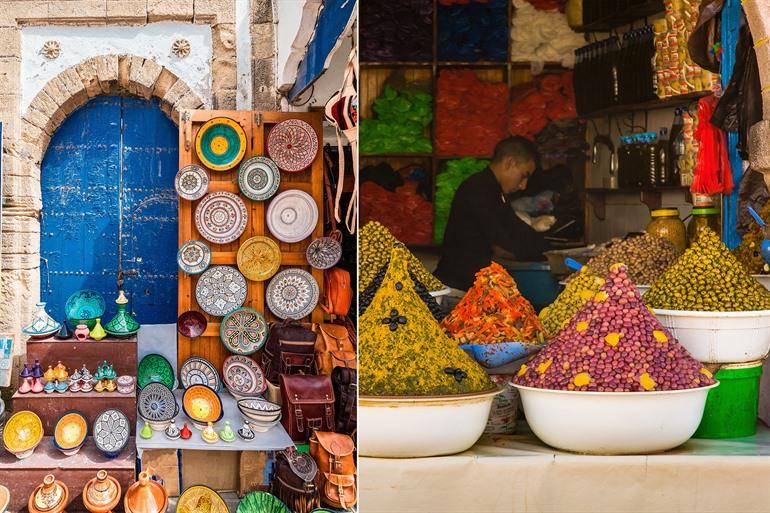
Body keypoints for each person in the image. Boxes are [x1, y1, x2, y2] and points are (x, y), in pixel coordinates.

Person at [435, 136, 551, 293]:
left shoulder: (495, 192)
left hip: (471, 285)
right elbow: (501, 246)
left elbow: (514, 226)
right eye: (524, 176)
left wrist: (549, 251)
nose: (523, 186)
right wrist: (542, 256)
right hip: (455, 288)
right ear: (509, 163)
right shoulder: (479, 190)